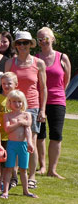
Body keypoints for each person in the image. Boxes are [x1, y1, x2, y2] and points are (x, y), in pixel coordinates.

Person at [4, 31, 47, 190]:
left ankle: (32, 176)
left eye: (26, 43)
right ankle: (14, 176)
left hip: (33, 107)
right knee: (14, 141)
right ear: (15, 45)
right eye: (19, 43)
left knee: (31, 143)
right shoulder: (10, 63)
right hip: (14, 106)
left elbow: (43, 88)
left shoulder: (38, 63)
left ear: (30, 45)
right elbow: (6, 84)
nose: (22, 46)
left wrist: (42, 110)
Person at [35, 27, 70, 179]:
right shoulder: (35, 58)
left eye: (46, 38)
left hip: (57, 100)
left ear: (53, 39)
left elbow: (66, 80)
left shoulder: (62, 57)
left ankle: (52, 169)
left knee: (56, 134)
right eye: (40, 39)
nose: (43, 41)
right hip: (38, 101)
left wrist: (60, 93)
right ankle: (42, 167)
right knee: (40, 134)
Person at [1, 90, 38, 199]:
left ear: (23, 102)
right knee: (9, 168)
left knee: (23, 169)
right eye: (14, 102)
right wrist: (19, 123)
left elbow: (28, 128)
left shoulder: (27, 114)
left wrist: (30, 142)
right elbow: (7, 129)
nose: (17, 104)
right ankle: (5, 191)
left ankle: (26, 191)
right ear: (9, 102)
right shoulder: (7, 116)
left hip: (23, 145)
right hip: (12, 145)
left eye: (19, 102)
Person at [0, 72, 19, 192]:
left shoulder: (17, 99)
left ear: (16, 84)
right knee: (0, 156)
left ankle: (11, 178)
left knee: (11, 158)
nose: (6, 86)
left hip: (12, 134)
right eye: (4, 83)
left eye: (9, 83)